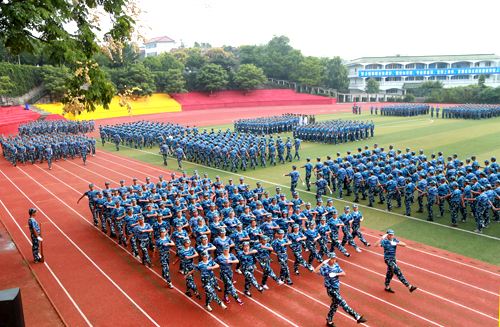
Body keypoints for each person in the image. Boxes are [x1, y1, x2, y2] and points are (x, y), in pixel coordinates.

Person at [314, 252, 367, 326]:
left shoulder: (336, 265)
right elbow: (315, 271)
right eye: (332, 259)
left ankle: (329, 320)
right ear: (329, 259)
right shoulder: (325, 267)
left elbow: (344, 273)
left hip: (337, 288)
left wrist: (336, 274)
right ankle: (357, 317)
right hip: (330, 289)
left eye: (335, 259)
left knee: (335, 305)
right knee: (343, 302)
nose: (334, 260)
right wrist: (322, 263)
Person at [374, 229, 417, 294]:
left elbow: (404, 244)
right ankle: (409, 286)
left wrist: (396, 243)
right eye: (390, 235)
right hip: (388, 259)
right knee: (397, 271)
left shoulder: (394, 240)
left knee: (390, 273)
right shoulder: (384, 241)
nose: (391, 236)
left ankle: (387, 287)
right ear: (387, 235)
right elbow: (375, 245)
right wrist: (382, 237)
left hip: (393, 259)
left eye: (392, 235)